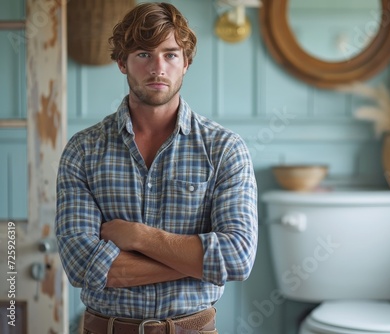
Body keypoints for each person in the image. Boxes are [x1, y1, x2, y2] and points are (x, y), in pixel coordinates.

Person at [55, 3, 258, 333]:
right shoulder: (83, 150)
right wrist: (198, 262)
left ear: (186, 62)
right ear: (122, 63)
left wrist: (137, 236)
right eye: (143, 54)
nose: (158, 68)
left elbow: (236, 257)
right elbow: (82, 267)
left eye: (170, 54)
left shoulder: (224, 149)